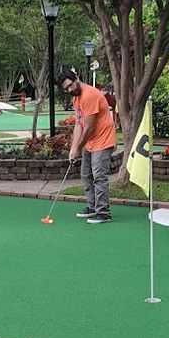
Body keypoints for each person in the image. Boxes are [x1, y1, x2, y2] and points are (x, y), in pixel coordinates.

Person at [59, 66, 116, 224]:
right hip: (90, 141)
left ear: (76, 79)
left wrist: (78, 147)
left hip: (103, 140)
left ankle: (103, 212)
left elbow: (89, 127)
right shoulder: (76, 98)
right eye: (66, 88)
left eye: (71, 85)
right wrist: (73, 147)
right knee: (85, 175)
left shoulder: (89, 95)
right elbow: (79, 124)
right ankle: (92, 207)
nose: (70, 89)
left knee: (99, 176)